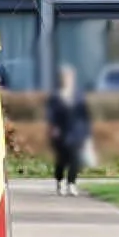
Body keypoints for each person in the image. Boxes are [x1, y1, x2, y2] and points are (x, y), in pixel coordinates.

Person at [46, 67, 93, 196]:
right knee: (61, 160)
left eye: (69, 77)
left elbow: (85, 115)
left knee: (75, 159)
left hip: (76, 132)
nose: (67, 80)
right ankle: (59, 181)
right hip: (60, 133)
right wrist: (53, 127)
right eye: (64, 77)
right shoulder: (55, 96)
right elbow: (50, 113)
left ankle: (71, 183)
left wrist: (87, 133)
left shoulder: (79, 95)